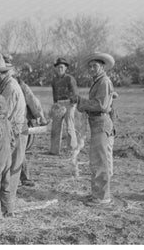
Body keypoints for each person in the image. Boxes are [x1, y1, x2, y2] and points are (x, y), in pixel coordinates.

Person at [69, 52, 116, 205]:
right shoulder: (99, 81)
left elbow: (100, 105)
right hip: (97, 123)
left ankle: (102, 198)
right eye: (90, 66)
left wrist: (80, 101)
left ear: (102, 67)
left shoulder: (103, 82)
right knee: (99, 160)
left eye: (95, 66)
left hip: (101, 123)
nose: (91, 69)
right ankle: (99, 195)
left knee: (100, 161)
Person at [0, 53, 27, 199]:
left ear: (3, 73)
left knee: (12, 169)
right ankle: (5, 201)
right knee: (8, 168)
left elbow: (3, 114)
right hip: (11, 129)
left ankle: (8, 205)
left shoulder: (10, 88)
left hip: (16, 130)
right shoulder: (5, 85)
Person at [2, 54, 48, 187]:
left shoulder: (19, 84)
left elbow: (33, 102)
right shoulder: (0, 84)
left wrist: (41, 117)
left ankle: (24, 177)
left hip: (20, 121)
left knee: (19, 152)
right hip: (6, 122)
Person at [50, 57, 78, 155]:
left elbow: (74, 92)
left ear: (65, 68)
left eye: (62, 67)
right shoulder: (54, 80)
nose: (60, 69)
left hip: (69, 103)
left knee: (69, 126)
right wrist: (55, 104)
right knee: (56, 126)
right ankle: (54, 150)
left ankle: (72, 148)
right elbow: (54, 93)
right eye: (58, 67)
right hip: (59, 103)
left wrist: (72, 103)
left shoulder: (69, 78)